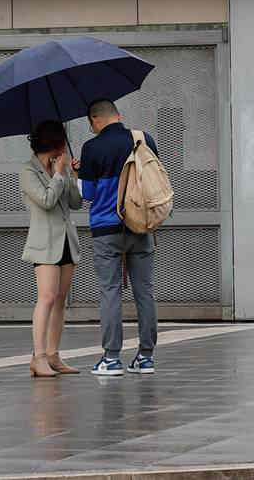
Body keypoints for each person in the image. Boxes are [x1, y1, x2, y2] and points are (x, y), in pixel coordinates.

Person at [77, 99, 158, 377]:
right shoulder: (143, 139)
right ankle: (145, 357)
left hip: (106, 229)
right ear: (118, 115)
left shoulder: (91, 148)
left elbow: (87, 194)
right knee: (144, 291)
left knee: (110, 290)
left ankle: (111, 358)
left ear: (95, 121)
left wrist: (80, 173)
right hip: (142, 225)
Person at [20, 120, 84, 378]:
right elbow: (46, 201)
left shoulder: (61, 168)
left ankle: (54, 354)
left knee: (59, 301)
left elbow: (77, 203)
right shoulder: (28, 171)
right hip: (45, 244)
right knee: (46, 297)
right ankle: (39, 357)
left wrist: (74, 175)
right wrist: (59, 174)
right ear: (54, 143)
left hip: (66, 242)